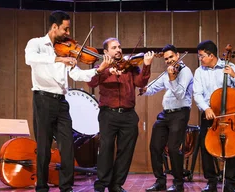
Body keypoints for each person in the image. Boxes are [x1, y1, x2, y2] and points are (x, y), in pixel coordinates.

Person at [25, 10, 111, 192]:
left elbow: (77, 74)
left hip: (62, 102)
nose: (68, 34)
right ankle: (41, 187)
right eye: (65, 29)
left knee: (67, 146)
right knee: (44, 146)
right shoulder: (37, 43)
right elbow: (29, 59)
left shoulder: (67, 48)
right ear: (54, 27)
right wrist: (59, 59)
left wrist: (98, 70)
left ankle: (66, 187)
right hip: (43, 99)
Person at [86, 37, 155, 192]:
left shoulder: (130, 67)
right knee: (106, 149)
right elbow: (91, 82)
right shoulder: (100, 67)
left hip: (128, 115)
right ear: (106, 52)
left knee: (126, 151)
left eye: (119, 47)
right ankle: (101, 183)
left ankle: (116, 184)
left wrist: (146, 65)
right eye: (114, 47)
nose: (118, 50)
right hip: (108, 114)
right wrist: (105, 69)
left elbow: (140, 83)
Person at [193, 40, 235, 192]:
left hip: (229, 116)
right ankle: (211, 182)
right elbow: (197, 93)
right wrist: (206, 108)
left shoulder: (229, 66)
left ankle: (230, 182)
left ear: (211, 55)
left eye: (201, 56)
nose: (200, 59)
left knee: (234, 147)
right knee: (205, 148)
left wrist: (234, 75)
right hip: (210, 115)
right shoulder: (199, 71)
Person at [143, 44, 193, 192]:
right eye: (166, 59)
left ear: (177, 55)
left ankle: (178, 184)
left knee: (173, 148)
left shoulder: (185, 72)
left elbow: (180, 94)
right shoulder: (167, 73)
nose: (169, 60)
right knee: (155, 147)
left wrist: (172, 78)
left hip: (180, 113)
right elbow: (153, 88)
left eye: (171, 57)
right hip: (166, 114)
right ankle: (160, 181)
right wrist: (143, 89)